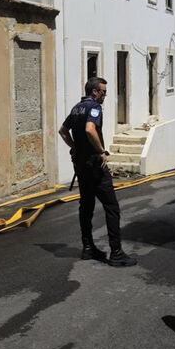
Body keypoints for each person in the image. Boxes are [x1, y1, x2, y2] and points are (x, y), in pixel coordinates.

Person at [58, 77, 136, 267]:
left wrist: (74, 146)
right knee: (112, 207)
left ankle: (88, 248)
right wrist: (101, 151)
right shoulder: (94, 107)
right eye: (103, 92)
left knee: (86, 206)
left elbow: (62, 130)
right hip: (95, 165)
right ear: (95, 92)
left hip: (81, 166)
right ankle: (116, 253)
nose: (105, 96)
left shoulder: (76, 108)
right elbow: (90, 129)